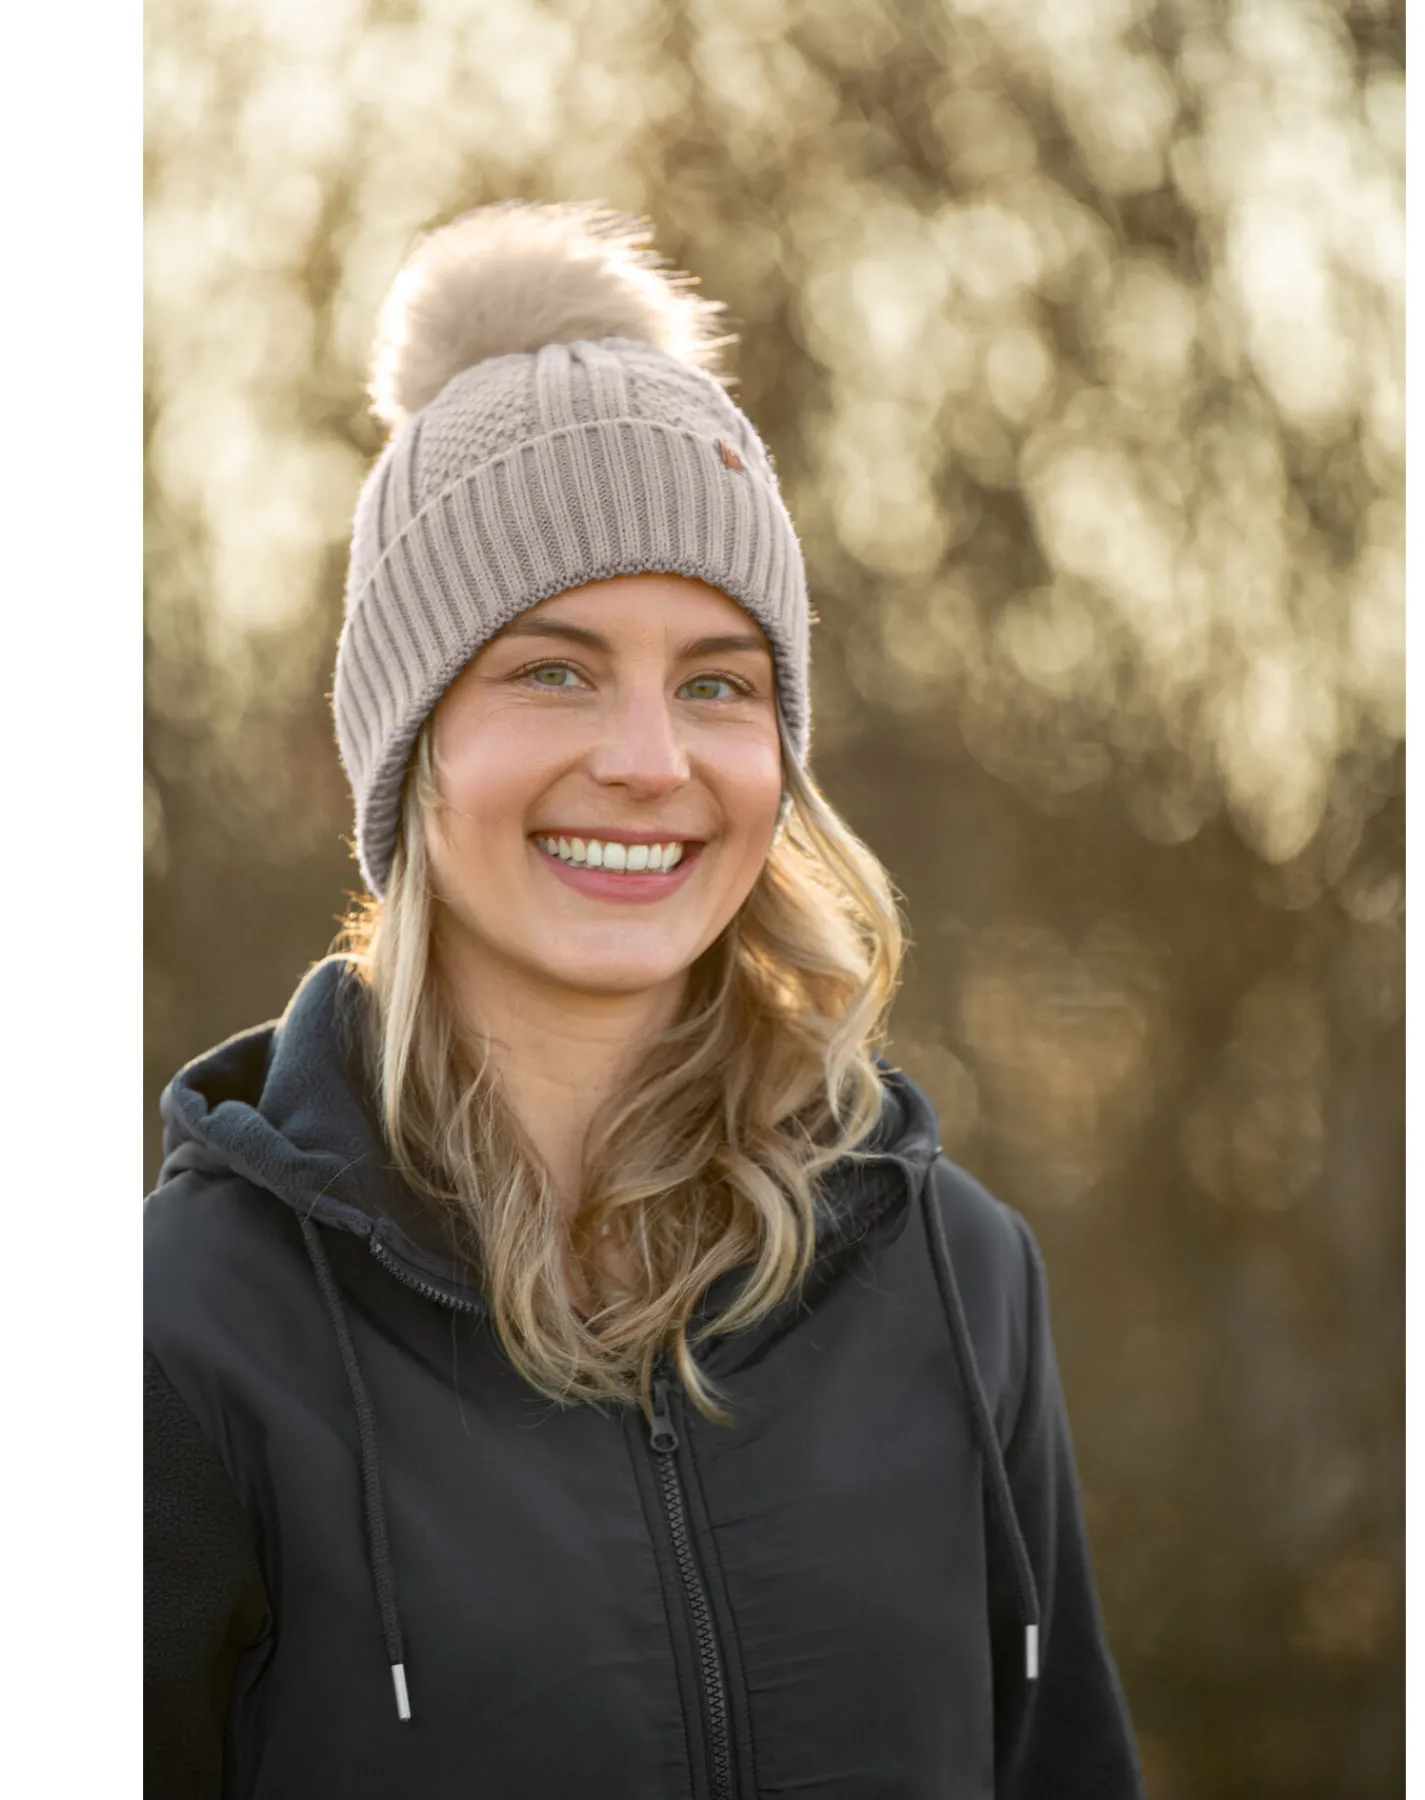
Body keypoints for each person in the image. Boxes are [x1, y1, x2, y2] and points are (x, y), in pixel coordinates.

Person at [144, 198, 1145, 1800]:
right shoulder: (186, 1327)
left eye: (716, 683)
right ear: (411, 743)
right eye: (553, 669)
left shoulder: (960, 1282)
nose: (647, 758)